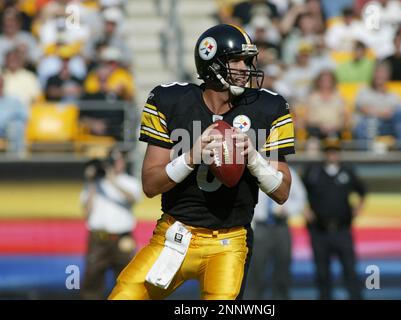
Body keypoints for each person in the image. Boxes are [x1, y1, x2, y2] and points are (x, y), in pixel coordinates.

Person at [108, 24, 295, 300]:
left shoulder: (268, 107)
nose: (246, 68)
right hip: (175, 235)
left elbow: (282, 193)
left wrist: (253, 159)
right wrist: (191, 157)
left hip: (230, 241)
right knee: (123, 296)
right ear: (212, 62)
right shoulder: (171, 101)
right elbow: (150, 184)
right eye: (236, 60)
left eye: (247, 60)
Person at [302, 139, 366, 300]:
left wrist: (358, 209)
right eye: (329, 151)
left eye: (335, 151)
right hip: (319, 230)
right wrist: (305, 210)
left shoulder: (347, 171)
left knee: (350, 270)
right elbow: (299, 191)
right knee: (322, 273)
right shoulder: (313, 172)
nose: (332, 154)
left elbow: (362, 191)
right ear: (325, 153)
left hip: (342, 229)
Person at [80, 149, 142, 300]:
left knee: (126, 279)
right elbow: (86, 211)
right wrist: (92, 182)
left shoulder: (130, 182)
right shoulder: (95, 184)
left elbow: (132, 198)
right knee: (92, 279)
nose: (116, 164)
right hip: (98, 239)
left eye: (119, 160)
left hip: (123, 238)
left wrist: (112, 179)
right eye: (113, 161)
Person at [245, 167, 306, 300]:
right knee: (256, 271)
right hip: (260, 227)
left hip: (281, 227)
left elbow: (300, 199)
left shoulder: (288, 172)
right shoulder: (254, 169)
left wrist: (287, 209)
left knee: (282, 269)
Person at [0, 74, 28, 156]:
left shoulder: (13, 100)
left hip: (8, 130)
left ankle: (14, 162)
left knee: (16, 126)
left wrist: (9, 120)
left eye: (0, 84)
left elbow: (24, 116)